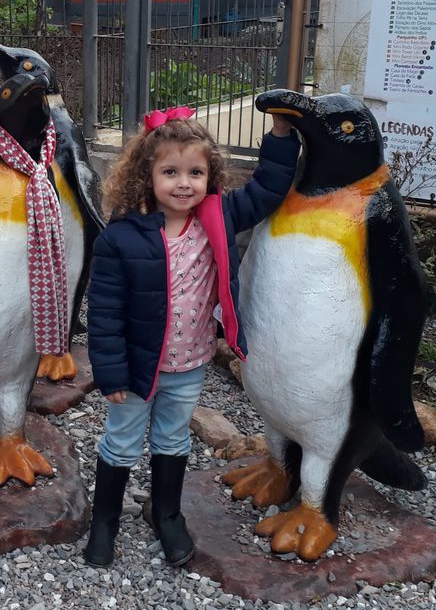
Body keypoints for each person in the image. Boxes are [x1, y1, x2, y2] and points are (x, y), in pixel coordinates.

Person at [83, 105, 299, 568]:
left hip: (191, 361)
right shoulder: (120, 238)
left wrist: (281, 135)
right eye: (171, 171)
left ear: (211, 175)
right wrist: (110, 373)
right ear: (147, 175)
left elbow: (265, 191)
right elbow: (103, 313)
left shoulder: (217, 218)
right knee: (121, 441)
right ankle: (104, 522)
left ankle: (167, 514)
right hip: (137, 368)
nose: (184, 183)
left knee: (173, 437)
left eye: (196, 172)